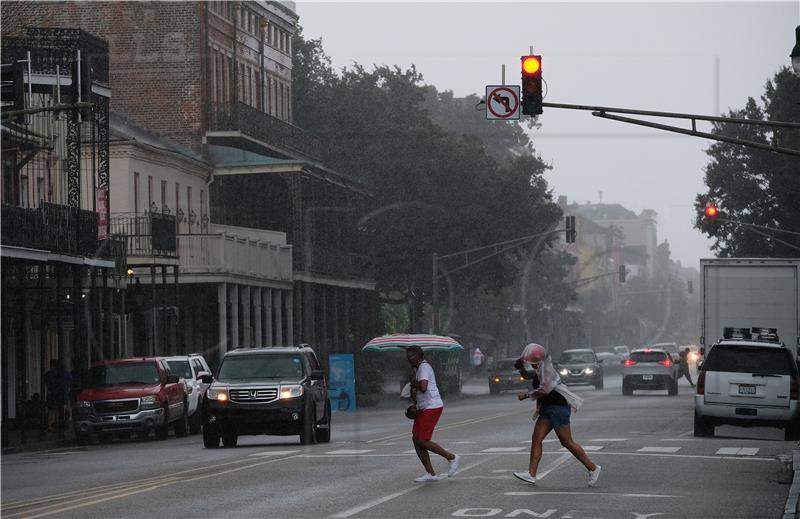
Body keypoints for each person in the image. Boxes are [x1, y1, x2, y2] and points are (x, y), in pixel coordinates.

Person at [513, 343, 601, 487]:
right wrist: (538, 408)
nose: (521, 374)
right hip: (548, 410)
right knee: (536, 439)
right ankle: (531, 474)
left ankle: (593, 468)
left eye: (522, 370)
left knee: (567, 442)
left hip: (558, 408)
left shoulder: (547, 372)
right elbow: (541, 397)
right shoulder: (538, 375)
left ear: (531, 365)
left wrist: (526, 395)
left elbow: (545, 390)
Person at [406, 346, 460, 482]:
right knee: (415, 439)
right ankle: (430, 473)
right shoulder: (417, 370)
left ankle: (452, 457)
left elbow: (423, 387)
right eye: (407, 356)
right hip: (422, 407)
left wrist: (413, 382)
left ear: (418, 356)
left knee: (422, 440)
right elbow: (417, 392)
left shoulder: (424, 367)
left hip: (432, 406)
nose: (408, 359)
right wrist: (414, 403)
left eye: (411, 356)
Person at [44, 360, 71, 438]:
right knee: (61, 409)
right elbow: (69, 381)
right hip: (62, 393)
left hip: (52, 393)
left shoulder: (49, 374)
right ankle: (60, 424)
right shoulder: (64, 374)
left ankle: (51, 425)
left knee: (52, 410)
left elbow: (46, 382)